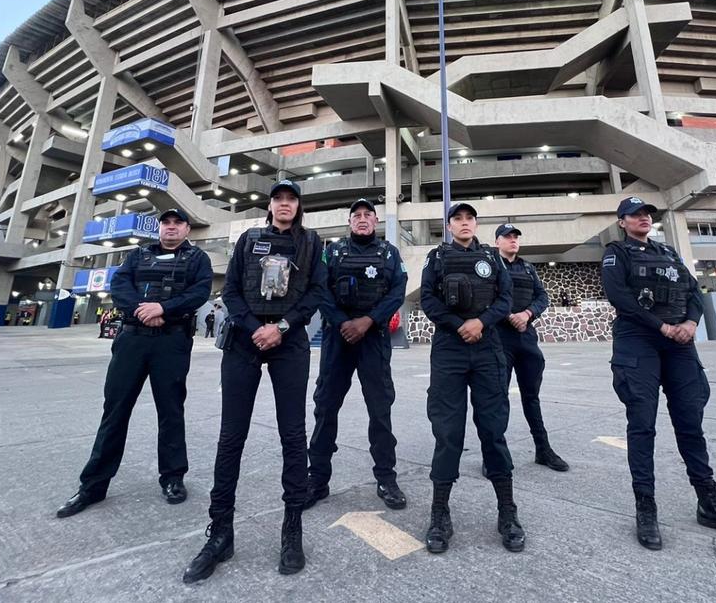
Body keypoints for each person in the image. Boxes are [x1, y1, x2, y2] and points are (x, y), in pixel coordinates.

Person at [183, 179, 327, 583]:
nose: (284, 204)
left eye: (291, 199)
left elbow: (317, 293)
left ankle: (292, 528)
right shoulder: (248, 239)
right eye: (278, 199)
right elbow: (230, 291)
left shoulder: (313, 243)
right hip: (245, 343)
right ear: (270, 205)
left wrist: (280, 327)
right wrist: (254, 328)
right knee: (231, 437)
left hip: (290, 342)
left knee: (293, 436)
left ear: (299, 206)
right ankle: (220, 532)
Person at [601, 197, 716, 551]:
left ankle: (709, 502)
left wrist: (689, 323)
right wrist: (662, 327)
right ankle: (646, 507)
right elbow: (619, 297)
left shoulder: (669, 254)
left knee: (690, 422)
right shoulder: (616, 253)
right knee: (642, 425)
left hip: (680, 343)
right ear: (622, 222)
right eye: (635, 215)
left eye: (647, 214)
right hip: (639, 340)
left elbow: (694, 293)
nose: (643, 218)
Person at [56, 208, 213, 519]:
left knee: (171, 410)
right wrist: (144, 310)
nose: (171, 228)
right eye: (166, 223)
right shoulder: (137, 255)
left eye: (177, 223)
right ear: (159, 228)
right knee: (115, 410)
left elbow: (199, 292)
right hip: (132, 340)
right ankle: (93, 485)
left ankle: (172, 477)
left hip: (172, 341)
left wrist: (162, 309)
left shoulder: (198, 259)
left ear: (187, 229)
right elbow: (120, 288)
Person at [420, 202, 525, 554]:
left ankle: (507, 512)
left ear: (476, 224)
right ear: (449, 225)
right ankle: (439, 513)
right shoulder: (436, 258)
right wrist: (459, 324)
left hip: (488, 347)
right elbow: (429, 301)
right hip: (449, 349)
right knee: (448, 433)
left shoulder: (493, 259)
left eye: (469, 219)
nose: (464, 223)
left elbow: (506, 297)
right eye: (457, 219)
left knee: (494, 431)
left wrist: (481, 322)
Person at [304, 198, 408, 511]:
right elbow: (320, 289)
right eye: (356, 215)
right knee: (325, 407)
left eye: (367, 215)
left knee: (380, 409)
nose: (362, 219)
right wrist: (342, 322)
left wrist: (368, 321)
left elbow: (397, 291)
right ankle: (317, 479)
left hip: (373, 337)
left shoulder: (390, 253)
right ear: (350, 222)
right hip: (338, 338)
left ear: (375, 220)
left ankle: (386, 478)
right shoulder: (332, 251)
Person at [493, 223, 568, 472]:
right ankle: (494, 455)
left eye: (515, 237)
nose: (513, 240)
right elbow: (484, 298)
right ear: (497, 242)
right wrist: (509, 316)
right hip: (499, 338)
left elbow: (542, 297)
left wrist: (526, 314)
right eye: (507, 237)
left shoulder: (528, 267)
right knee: (497, 399)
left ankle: (543, 449)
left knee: (531, 398)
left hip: (526, 338)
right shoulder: (491, 266)